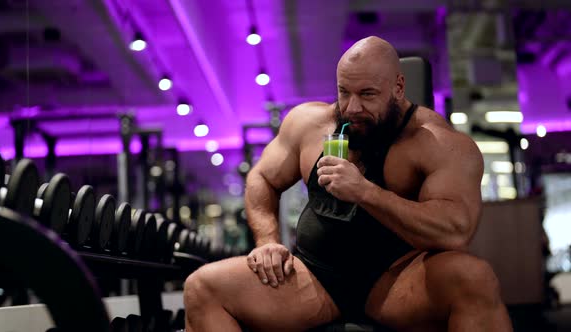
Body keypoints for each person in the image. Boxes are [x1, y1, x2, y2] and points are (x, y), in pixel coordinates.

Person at [183, 36, 513, 332]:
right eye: (344, 92)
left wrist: (366, 192)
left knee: (475, 278)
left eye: (367, 94)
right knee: (202, 287)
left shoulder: (436, 143)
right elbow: (263, 177)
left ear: (398, 88)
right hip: (312, 275)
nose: (352, 107)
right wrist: (268, 240)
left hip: (396, 281)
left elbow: (455, 230)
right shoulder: (309, 124)